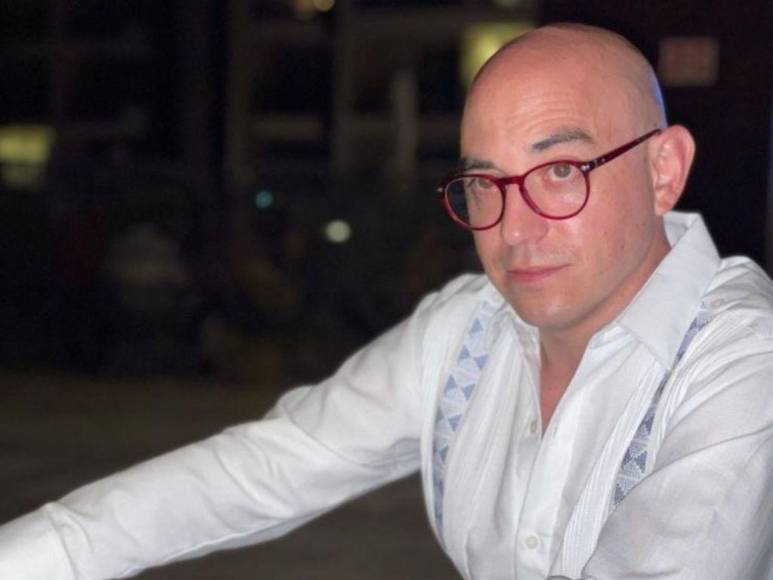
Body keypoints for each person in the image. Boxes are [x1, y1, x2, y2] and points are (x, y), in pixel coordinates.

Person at [2, 22, 773, 580]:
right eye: (483, 184)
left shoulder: (743, 363)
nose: (513, 227)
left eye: (560, 172)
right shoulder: (468, 330)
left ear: (662, 170)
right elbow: (264, 468)